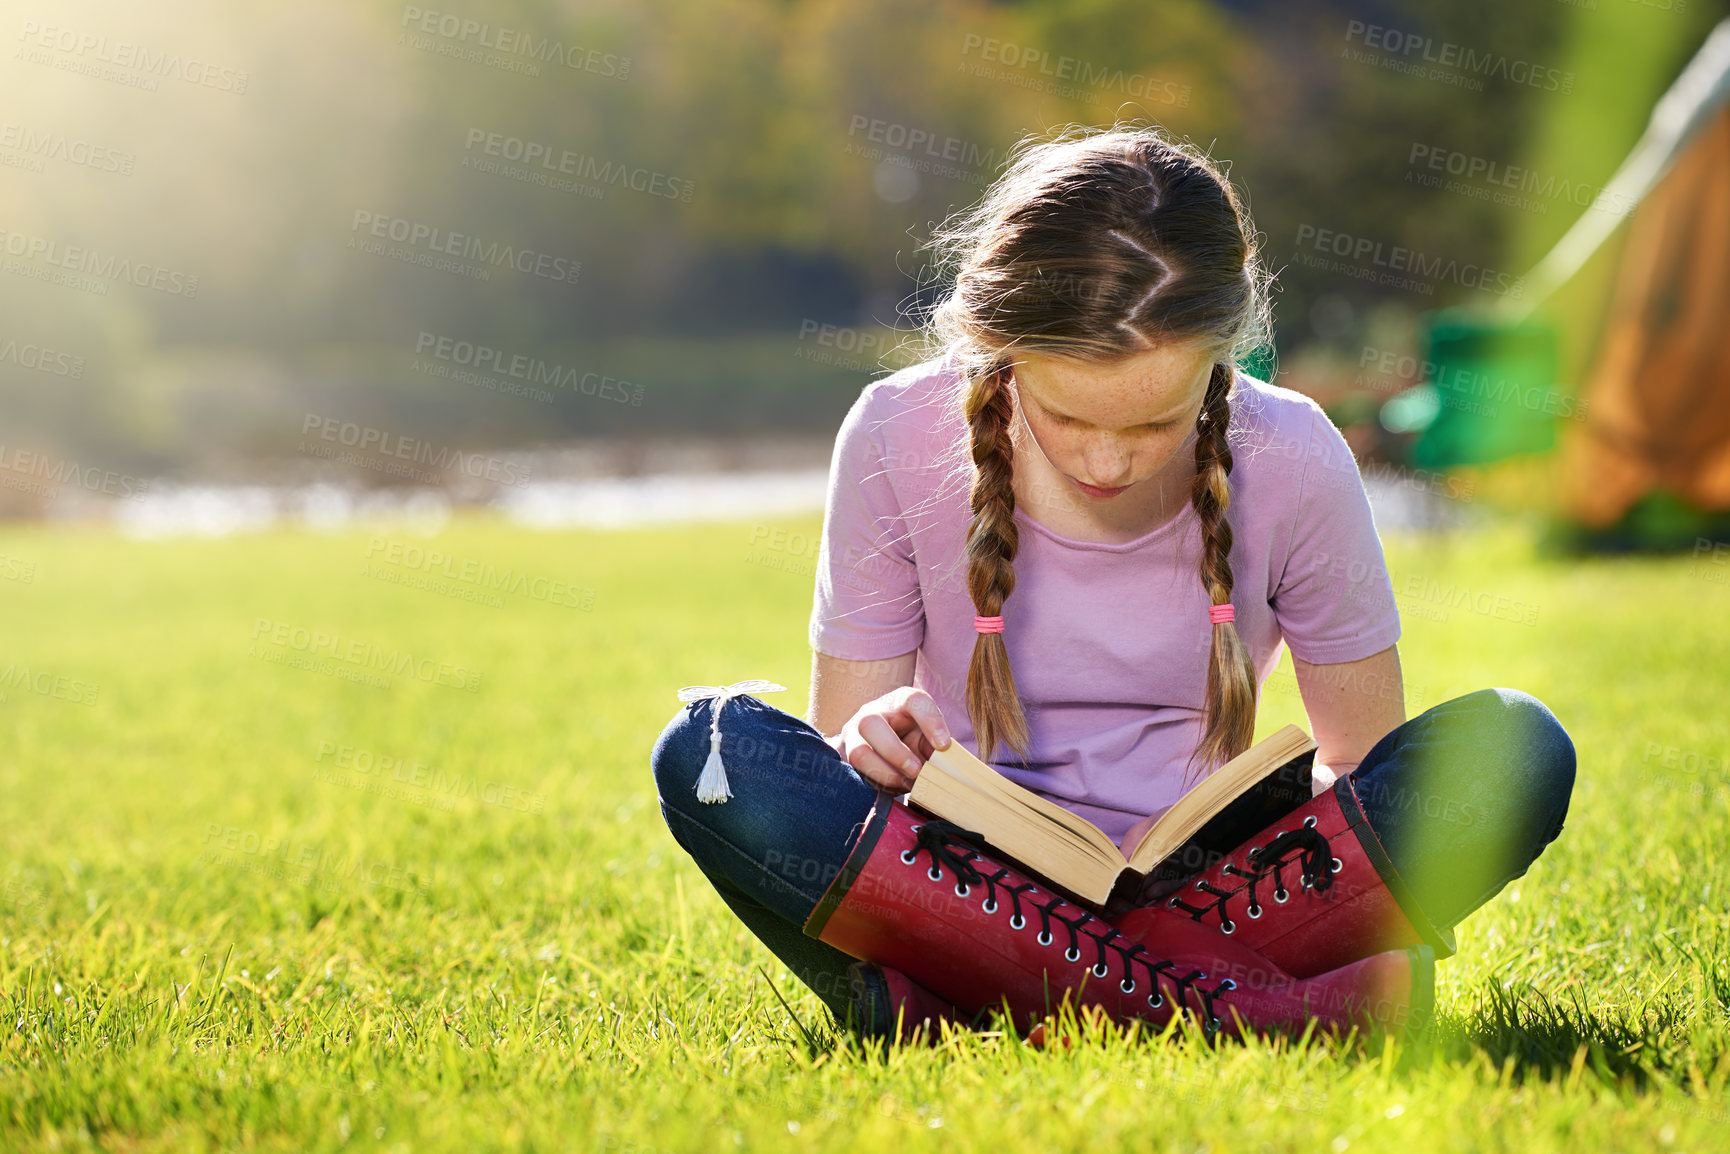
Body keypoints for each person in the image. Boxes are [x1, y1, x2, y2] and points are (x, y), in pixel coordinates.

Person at [651, 125, 1576, 1043]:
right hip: (960, 877)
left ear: (1222, 356)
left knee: (1516, 746)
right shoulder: (895, 432)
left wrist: (1253, 828)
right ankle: (1252, 1009)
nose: (1106, 461)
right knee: (715, 749)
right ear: (1000, 345)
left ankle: (974, 998)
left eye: (1154, 423)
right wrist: (867, 741)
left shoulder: (1293, 452)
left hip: (1222, 890)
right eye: (1064, 413)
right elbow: (843, 750)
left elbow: (1361, 766)